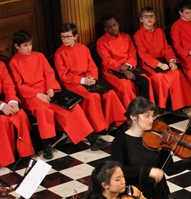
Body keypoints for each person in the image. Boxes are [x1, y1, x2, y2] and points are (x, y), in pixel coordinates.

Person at [8, 30, 101, 160]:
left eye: (30, 44)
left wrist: (51, 87)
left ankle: (93, 139)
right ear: (17, 46)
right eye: (25, 45)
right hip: (31, 96)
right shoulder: (14, 63)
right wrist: (37, 94)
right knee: (43, 110)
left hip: (47, 91)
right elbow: (19, 86)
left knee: (70, 107)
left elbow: (49, 74)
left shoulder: (39, 56)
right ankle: (46, 145)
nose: (29, 48)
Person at [54, 22, 127, 137]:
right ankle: (100, 128)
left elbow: (92, 66)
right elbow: (64, 76)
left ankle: (119, 121)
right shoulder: (59, 53)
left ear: (75, 36)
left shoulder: (83, 48)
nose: (65, 40)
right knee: (93, 96)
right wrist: (83, 80)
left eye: (68, 37)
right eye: (63, 37)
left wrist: (92, 78)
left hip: (88, 79)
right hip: (73, 84)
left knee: (109, 93)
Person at [133, 7, 191, 113]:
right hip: (149, 64)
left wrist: (171, 60)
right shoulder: (138, 35)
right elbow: (143, 54)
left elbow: (167, 48)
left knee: (176, 73)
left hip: (163, 60)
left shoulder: (159, 31)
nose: (149, 19)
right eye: (146, 16)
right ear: (141, 19)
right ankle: (164, 106)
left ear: (155, 18)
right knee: (160, 77)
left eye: (151, 16)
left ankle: (178, 106)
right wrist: (158, 64)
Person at [95, 14, 153, 107]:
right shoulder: (101, 42)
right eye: (109, 27)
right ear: (105, 29)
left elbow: (132, 54)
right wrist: (122, 69)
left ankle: (145, 109)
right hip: (112, 70)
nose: (113, 29)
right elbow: (107, 60)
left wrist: (128, 66)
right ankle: (132, 113)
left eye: (114, 25)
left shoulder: (126, 37)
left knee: (145, 80)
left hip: (128, 66)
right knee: (125, 85)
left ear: (118, 24)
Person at [0, 59, 34, 167]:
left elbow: (8, 85)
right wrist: (2, 106)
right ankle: (7, 158)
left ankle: (25, 153)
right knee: (3, 120)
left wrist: (12, 102)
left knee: (20, 114)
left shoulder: (1, 65)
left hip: (4, 101)